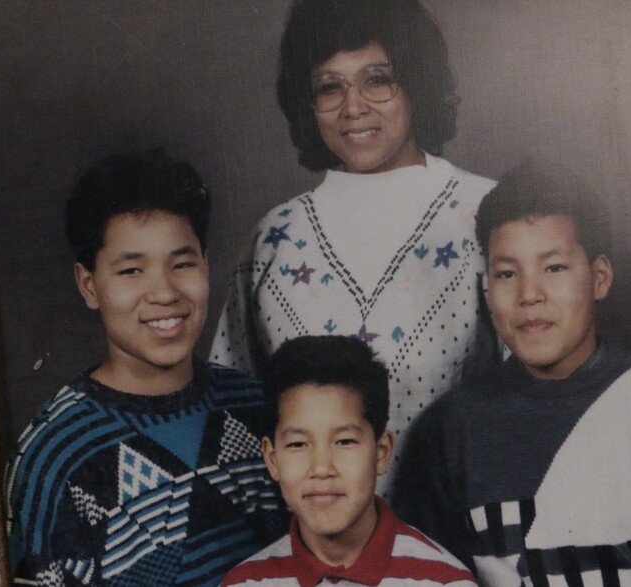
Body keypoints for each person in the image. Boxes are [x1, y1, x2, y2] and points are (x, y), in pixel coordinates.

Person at [393, 163, 631, 586]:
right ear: (486, 288)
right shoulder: (450, 428)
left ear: (599, 278)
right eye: (507, 273)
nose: (529, 295)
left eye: (554, 268)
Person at [210, 0, 497, 492]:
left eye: (377, 79)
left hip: (461, 545)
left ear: (415, 81)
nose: (354, 106)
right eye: (329, 86)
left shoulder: (486, 215)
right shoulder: (273, 238)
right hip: (308, 554)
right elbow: (230, 413)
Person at [4, 152, 288, 586]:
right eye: (132, 270)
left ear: (206, 265)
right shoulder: (56, 456)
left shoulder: (260, 409)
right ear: (89, 285)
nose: (164, 293)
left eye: (182, 263)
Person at [221, 335, 477, 587]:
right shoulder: (244, 583)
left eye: (344, 441)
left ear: (381, 452)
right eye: (298, 444)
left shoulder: (444, 581)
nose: (321, 468)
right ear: (272, 460)